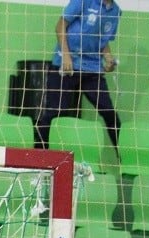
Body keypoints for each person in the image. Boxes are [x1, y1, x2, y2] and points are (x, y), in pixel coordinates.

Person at [33, 0, 122, 152]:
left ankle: (124, 157)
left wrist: (108, 58)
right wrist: (66, 56)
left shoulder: (116, 12)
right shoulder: (83, 1)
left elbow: (103, 41)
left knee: (109, 113)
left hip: (92, 68)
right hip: (67, 65)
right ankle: (39, 155)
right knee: (55, 111)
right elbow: (60, 26)